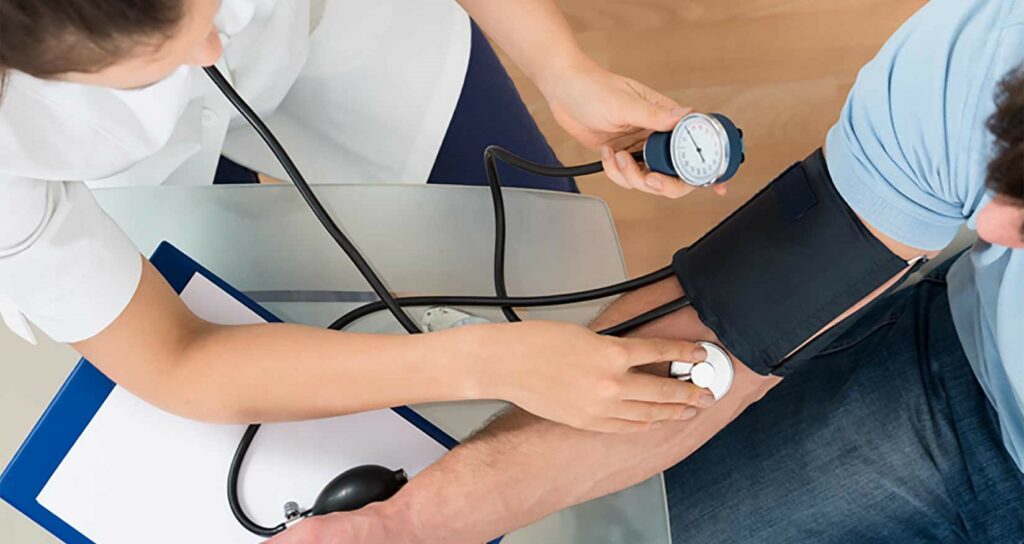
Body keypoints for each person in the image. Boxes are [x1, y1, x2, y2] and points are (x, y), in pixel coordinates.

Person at [268, 1, 1024, 542]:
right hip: (967, 401)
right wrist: (410, 524)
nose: (985, 227)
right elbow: (730, 323)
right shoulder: (988, 57)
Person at [0, 0, 718, 438]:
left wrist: (563, 68)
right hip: (137, 177)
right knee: (301, 369)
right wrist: (481, 364)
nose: (213, 53)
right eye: (153, 70)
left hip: (343, 30)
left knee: (549, 259)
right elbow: (178, 360)